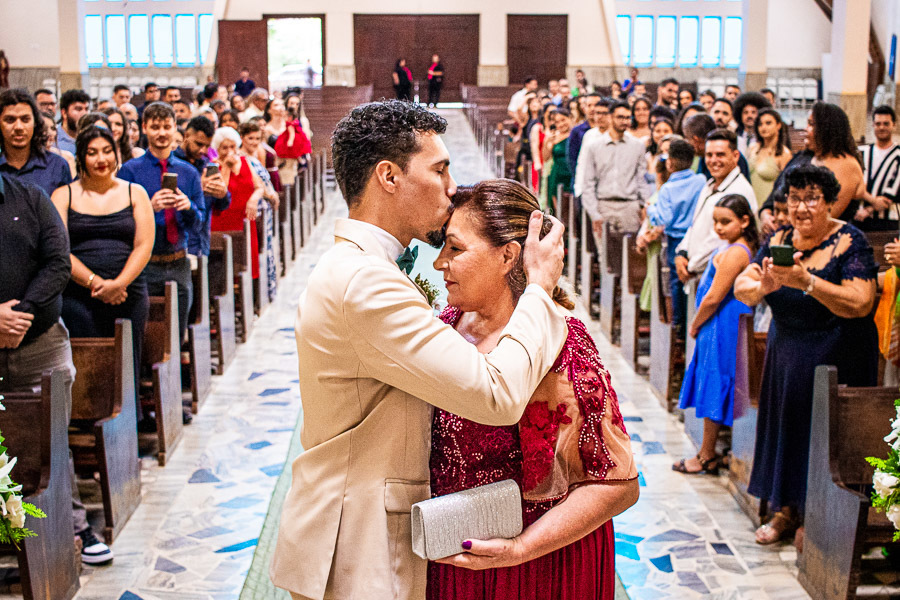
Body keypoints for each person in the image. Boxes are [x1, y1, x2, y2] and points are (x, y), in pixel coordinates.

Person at [269, 100, 568, 600]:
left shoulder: (363, 266)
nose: (452, 187)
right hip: (355, 539)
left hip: (353, 519)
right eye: (440, 169)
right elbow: (495, 396)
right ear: (389, 176)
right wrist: (537, 289)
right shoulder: (366, 281)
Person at [428, 180, 639, 599]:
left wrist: (521, 549)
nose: (439, 263)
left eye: (454, 248)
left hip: (540, 564)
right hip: (456, 555)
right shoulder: (445, 323)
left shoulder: (564, 343)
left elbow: (617, 484)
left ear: (508, 255)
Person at [734, 164, 878, 547]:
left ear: (830, 203)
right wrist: (763, 286)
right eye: (794, 198)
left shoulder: (850, 241)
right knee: (788, 428)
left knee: (824, 434)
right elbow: (741, 287)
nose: (801, 207)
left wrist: (809, 283)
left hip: (838, 351)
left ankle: (820, 515)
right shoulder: (780, 238)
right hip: (788, 351)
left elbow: (862, 302)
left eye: (812, 198)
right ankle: (786, 510)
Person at [0, 163, 117, 568]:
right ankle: (13, 534)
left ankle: (73, 527)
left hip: (40, 342)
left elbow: (57, 264)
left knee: (51, 443)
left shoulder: (30, 198)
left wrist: (22, 316)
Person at [51, 125, 153, 424]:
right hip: (79, 294)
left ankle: (127, 434)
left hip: (129, 291)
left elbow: (143, 244)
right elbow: (60, 251)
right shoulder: (64, 194)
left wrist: (119, 284)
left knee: (126, 365)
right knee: (88, 366)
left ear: (117, 153)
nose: (100, 159)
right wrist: (96, 283)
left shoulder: (135, 192)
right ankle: (88, 427)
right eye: (92, 152)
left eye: (107, 151)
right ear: (81, 157)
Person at [673, 194, 757, 474]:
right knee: (714, 380)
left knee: (715, 381)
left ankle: (706, 455)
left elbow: (714, 296)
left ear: (744, 221)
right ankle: (711, 451)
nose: (719, 227)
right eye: (715, 222)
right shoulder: (732, 246)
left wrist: (695, 323)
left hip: (721, 322)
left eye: (726, 221)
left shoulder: (737, 252)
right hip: (718, 322)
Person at [117, 102, 202, 346]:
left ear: (176, 128)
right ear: (144, 128)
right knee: (146, 331)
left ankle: (174, 378)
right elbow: (122, 222)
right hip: (146, 263)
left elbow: (198, 224)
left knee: (179, 331)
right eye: (155, 127)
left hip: (178, 261)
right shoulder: (130, 172)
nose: (162, 133)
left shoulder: (188, 173)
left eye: (167, 126)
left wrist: (188, 208)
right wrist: (150, 209)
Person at [675, 129, 757, 287]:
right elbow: (694, 223)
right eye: (709, 155)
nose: (713, 160)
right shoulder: (709, 185)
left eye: (720, 155)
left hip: (719, 276)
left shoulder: (740, 190)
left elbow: (719, 239)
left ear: (735, 156)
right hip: (696, 271)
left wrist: (691, 266)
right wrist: (681, 253)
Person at [647, 139, 708, 331]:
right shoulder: (701, 181)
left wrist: (651, 210)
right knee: (694, 277)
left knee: (676, 280)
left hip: (675, 239)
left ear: (670, 162)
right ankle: (693, 317)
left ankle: (678, 324)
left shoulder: (667, 189)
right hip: (696, 237)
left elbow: (663, 218)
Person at [581, 101, 647, 235]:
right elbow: (588, 182)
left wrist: (644, 205)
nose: (625, 121)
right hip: (604, 205)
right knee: (604, 253)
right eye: (620, 117)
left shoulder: (637, 146)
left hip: (630, 206)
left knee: (630, 252)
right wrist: (594, 213)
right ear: (610, 117)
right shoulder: (594, 146)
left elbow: (641, 180)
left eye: (628, 118)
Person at [210, 126, 263, 280]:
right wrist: (226, 167)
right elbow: (221, 193)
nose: (229, 151)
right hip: (223, 218)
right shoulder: (214, 166)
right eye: (224, 147)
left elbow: (259, 187)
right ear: (218, 148)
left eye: (232, 146)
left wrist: (253, 200)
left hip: (245, 216)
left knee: (247, 256)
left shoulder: (246, 162)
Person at [173, 116, 230, 257]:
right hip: (179, 243)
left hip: (201, 241)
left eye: (207, 146)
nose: (203, 150)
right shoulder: (171, 164)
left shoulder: (207, 165)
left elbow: (221, 205)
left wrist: (223, 194)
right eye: (199, 144)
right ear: (186, 135)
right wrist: (199, 187)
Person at [0, 89, 73, 196]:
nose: (18, 127)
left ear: (35, 122)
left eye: (25, 119)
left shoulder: (57, 165)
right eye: (10, 120)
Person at [238, 119, 280, 300]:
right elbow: (258, 184)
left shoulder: (255, 156)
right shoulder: (242, 157)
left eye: (257, 138)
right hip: (256, 209)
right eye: (250, 138)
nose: (254, 142)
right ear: (242, 138)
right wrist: (270, 194)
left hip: (265, 210)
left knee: (267, 246)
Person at [806, 101, 865, 221]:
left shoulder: (847, 165)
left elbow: (829, 215)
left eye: (811, 124)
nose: (806, 129)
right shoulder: (814, 157)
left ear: (827, 129)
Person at [857, 105, 900, 231]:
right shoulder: (862, 152)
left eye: (886, 124)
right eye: (878, 124)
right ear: (873, 126)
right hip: (859, 218)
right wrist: (872, 201)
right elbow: (855, 184)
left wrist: (869, 209)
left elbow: (892, 193)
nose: (881, 127)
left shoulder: (898, 155)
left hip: (888, 221)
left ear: (894, 125)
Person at [748, 108, 792, 207]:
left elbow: (787, 187)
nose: (763, 127)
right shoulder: (752, 148)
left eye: (768, 123)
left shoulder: (784, 153)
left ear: (778, 125)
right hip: (751, 204)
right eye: (760, 124)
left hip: (769, 207)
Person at [573, 98, 611, 198]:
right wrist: (579, 189)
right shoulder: (589, 135)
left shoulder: (618, 137)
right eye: (598, 113)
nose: (600, 117)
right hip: (589, 190)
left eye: (604, 113)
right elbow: (582, 163)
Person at [543, 108, 573, 213]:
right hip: (557, 174)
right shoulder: (554, 137)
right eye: (557, 122)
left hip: (571, 173)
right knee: (558, 209)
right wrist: (547, 142)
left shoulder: (575, 134)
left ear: (570, 118)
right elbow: (546, 158)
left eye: (563, 120)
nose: (561, 124)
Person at [566, 93, 600, 176]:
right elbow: (572, 159)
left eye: (595, 105)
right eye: (589, 105)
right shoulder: (577, 131)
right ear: (584, 108)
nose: (592, 109)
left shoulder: (608, 130)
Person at [57, 89, 90, 154]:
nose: (84, 113)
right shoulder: (53, 140)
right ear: (64, 113)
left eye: (86, 109)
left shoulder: (91, 137)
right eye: (78, 109)